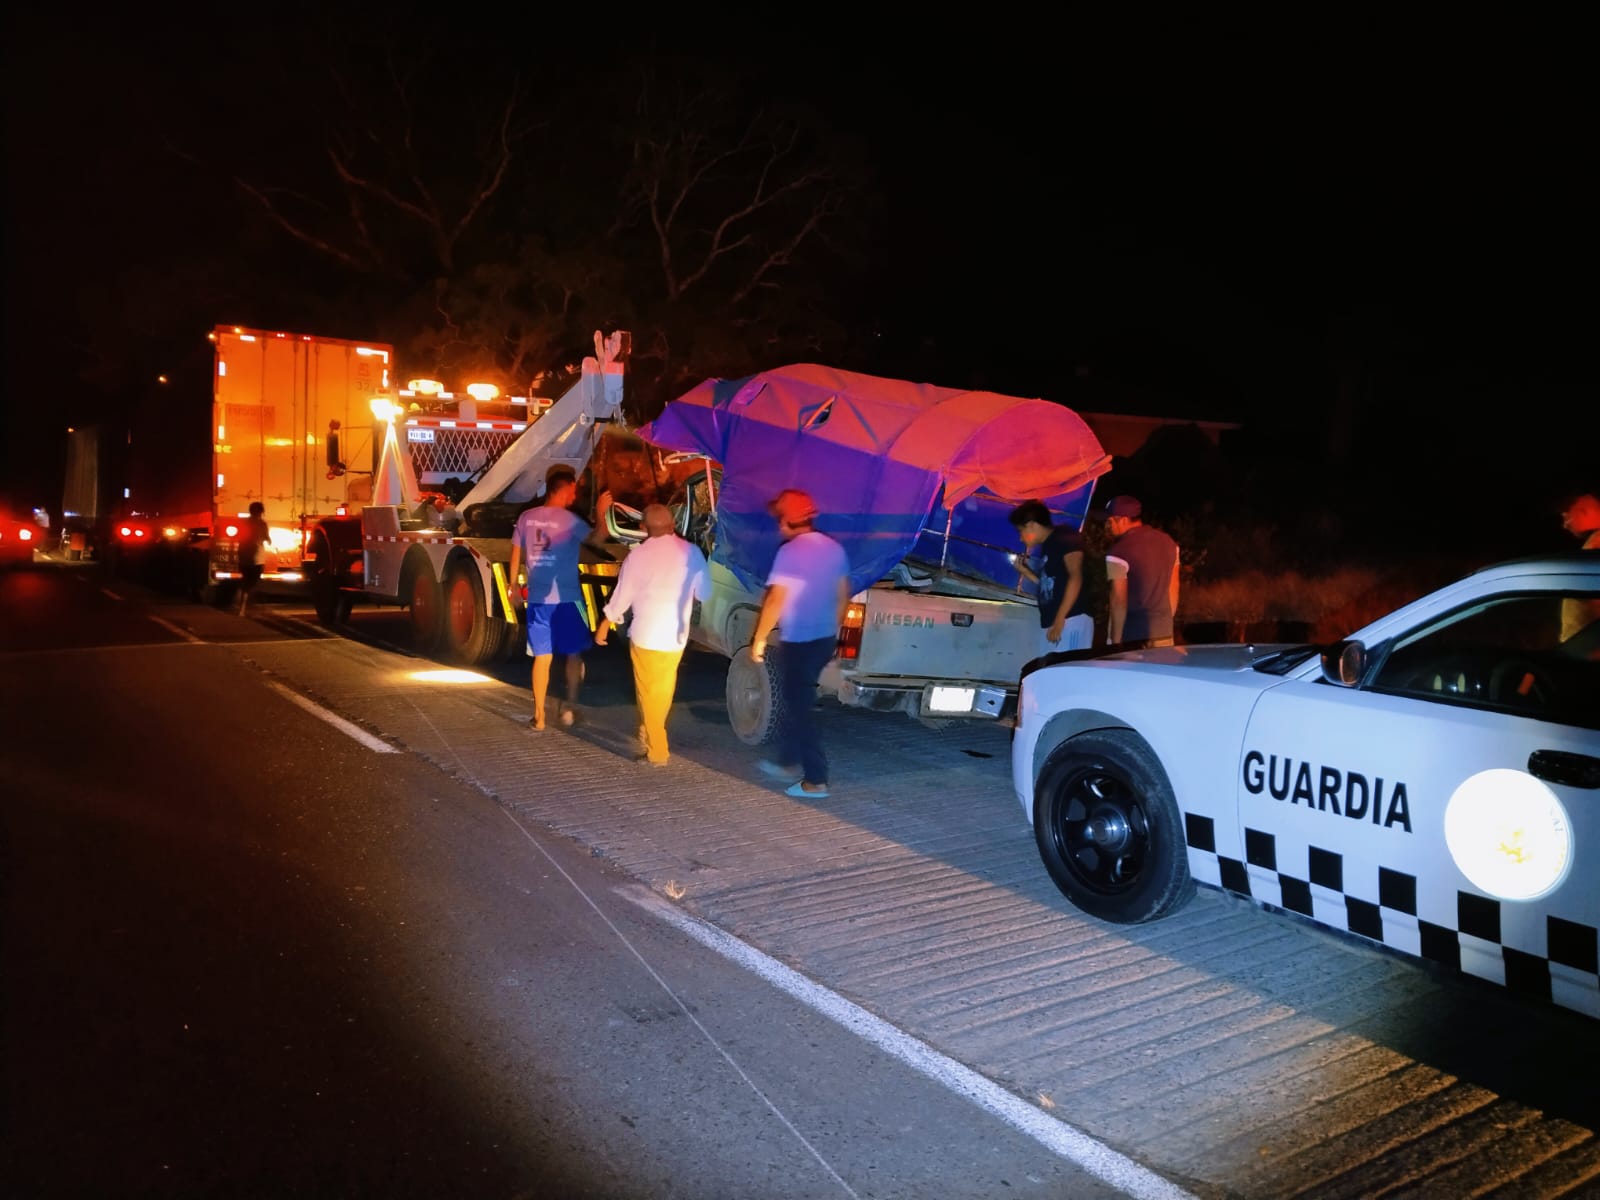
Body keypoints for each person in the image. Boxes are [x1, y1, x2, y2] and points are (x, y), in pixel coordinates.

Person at [750, 488, 850, 799]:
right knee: (798, 701)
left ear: (785, 521)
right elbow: (843, 596)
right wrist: (832, 632)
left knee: (800, 709)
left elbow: (775, 600)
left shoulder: (789, 553)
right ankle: (788, 760)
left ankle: (815, 780)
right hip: (822, 639)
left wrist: (759, 639)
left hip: (800, 641)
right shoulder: (834, 549)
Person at [594, 503, 710, 766]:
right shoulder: (691, 552)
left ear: (643, 528)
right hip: (676, 635)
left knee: (648, 691)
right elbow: (704, 592)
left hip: (646, 635)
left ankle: (657, 751)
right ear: (674, 526)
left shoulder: (637, 556)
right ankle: (648, 729)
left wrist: (604, 623)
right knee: (661, 688)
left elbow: (622, 595)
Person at [508, 465, 611, 730]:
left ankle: (539, 716)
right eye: (573, 490)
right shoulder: (571, 521)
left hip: (539, 600)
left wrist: (512, 588)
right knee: (574, 654)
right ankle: (571, 704)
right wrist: (601, 512)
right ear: (563, 489)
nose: (575, 496)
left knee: (542, 657)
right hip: (567, 598)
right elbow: (599, 540)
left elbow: (516, 553)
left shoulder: (526, 517)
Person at [1007, 499, 1093, 650]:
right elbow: (1050, 585)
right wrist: (1026, 572)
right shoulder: (1048, 545)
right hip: (1055, 622)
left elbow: (1075, 576)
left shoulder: (1065, 537)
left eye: (1021, 531)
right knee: (1049, 671)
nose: (1021, 537)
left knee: (1066, 671)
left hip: (1071, 619)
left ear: (1032, 525)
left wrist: (1060, 619)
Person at [1100, 495, 1180, 648]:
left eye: (1110, 521)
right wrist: (1165, 623)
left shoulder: (1117, 553)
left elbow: (1118, 602)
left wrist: (1115, 642)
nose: (1108, 526)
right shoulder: (1170, 544)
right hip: (1165, 633)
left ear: (1122, 519)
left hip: (1134, 637)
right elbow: (1173, 590)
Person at [1557, 491, 1600, 645]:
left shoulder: (1596, 546)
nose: (1565, 524)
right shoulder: (1593, 546)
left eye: (1566, 516)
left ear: (1584, 511)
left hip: (1586, 651)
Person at [236, 501, 269, 616]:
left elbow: (239, 537)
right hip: (257, 558)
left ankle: (242, 608)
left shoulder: (244, 523)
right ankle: (250, 604)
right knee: (253, 582)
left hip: (244, 557)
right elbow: (267, 538)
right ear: (261, 512)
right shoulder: (262, 524)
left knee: (246, 581)